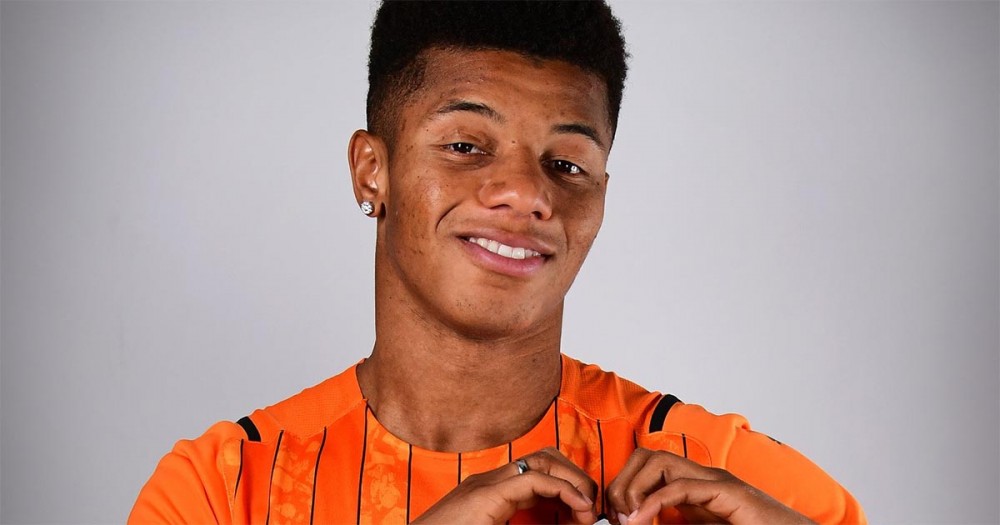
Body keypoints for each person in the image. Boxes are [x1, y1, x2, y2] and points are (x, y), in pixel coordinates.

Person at [130, 2, 865, 524]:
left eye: (567, 164)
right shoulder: (222, 489)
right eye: (465, 146)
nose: (527, 194)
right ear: (371, 171)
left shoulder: (718, 477)